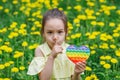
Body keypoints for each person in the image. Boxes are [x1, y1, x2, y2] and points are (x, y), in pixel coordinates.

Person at [27, 8, 86, 80]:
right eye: (50, 32)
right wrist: (51, 57)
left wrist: (77, 73)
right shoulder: (40, 50)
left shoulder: (70, 51)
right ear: (43, 33)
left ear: (66, 32)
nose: (55, 37)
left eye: (60, 32)